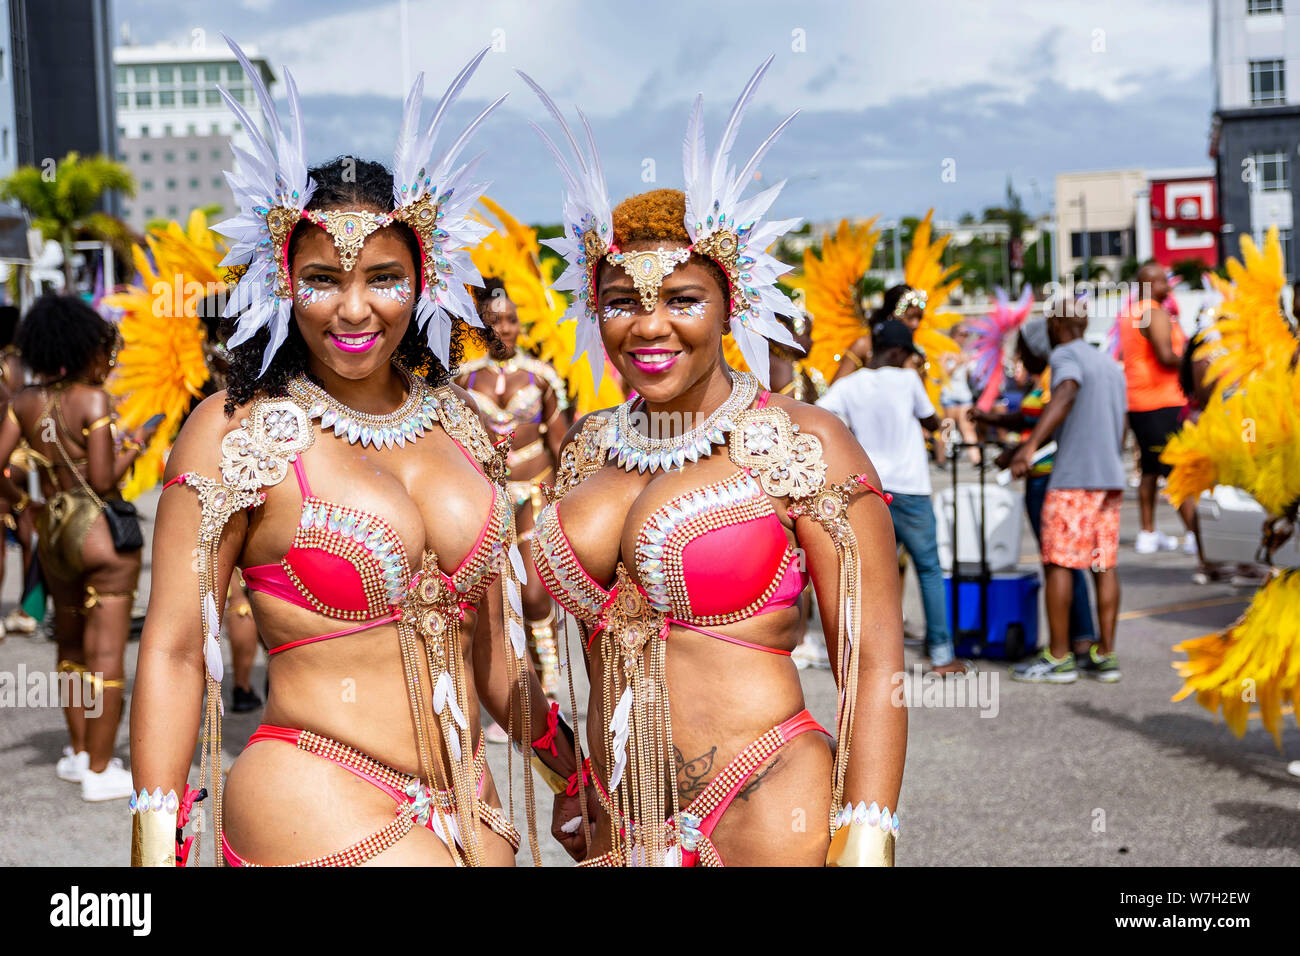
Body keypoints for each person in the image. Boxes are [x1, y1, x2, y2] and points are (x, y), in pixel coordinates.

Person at [129, 41, 577, 867]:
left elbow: (491, 653)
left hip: (467, 804)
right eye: (323, 278)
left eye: (383, 277)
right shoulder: (240, 431)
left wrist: (571, 773)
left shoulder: (462, 425)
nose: (354, 308)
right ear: (281, 281)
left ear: (427, 278)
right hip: (313, 785)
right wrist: (156, 841)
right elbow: (175, 645)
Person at [524, 63, 905, 866]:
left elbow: (872, 665)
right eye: (623, 301)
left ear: (732, 303)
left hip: (766, 795)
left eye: (682, 299)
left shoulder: (806, 444)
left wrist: (867, 836)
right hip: (622, 819)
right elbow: (587, 652)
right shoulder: (589, 446)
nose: (649, 326)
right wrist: (576, 774)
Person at [0, 295, 157, 799]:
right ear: (85, 346)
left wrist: (24, 501)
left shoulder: (22, 401)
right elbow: (107, 478)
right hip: (101, 538)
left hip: (54, 534)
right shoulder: (93, 400)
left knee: (69, 650)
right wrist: (137, 445)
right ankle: (99, 767)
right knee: (107, 652)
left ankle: (75, 752)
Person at [820, 318, 967, 675]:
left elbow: (821, 411)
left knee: (866, 574)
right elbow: (931, 421)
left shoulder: (851, 385)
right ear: (900, 352)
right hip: (912, 488)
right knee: (928, 568)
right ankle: (942, 655)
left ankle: (862, 656)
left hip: (868, 489)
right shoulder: (906, 380)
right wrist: (942, 430)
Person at [457, 278, 570, 700]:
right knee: (492, 604)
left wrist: (567, 497)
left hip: (535, 492)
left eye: (511, 320)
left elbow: (558, 442)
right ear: (482, 327)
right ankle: (511, 694)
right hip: (489, 499)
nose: (505, 329)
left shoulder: (541, 378)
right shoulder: (464, 381)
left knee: (536, 596)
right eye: (495, 321)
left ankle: (551, 690)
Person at [1010, 296, 1127, 683]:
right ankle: (1105, 654)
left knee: (1059, 563)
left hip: (1074, 478)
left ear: (1058, 327)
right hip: (1110, 477)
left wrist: (1028, 447)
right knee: (1102, 564)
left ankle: (1059, 656)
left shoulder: (1064, 356)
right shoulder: (1110, 364)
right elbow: (1121, 424)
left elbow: (1065, 392)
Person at [970, 316, 1097, 659]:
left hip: (1053, 478)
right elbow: (1030, 419)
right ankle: (1073, 638)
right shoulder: (1044, 378)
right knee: (1059, 559)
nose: (1020, 355)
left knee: (1064, 560)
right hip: (1039, 479)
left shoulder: (1058, 374)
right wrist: (991, 420)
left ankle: (1081, 638)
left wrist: (1018, 451)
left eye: (1023, 348)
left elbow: (1048, 424)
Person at [1120, 263, 1195, 554]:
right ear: (1149, 284)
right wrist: (1195, 364)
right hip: (1162, 402)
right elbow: (1166, 356)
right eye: (1163, 281)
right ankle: (1194, 534)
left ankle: (1147, 532)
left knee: (1150, 470)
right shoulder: (1154, 313)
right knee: (1176, 470)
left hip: (1139, 402)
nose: (1169, 286)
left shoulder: (1132, 314)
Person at [0, 304, 38, 638]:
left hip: (6, 457)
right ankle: (29, 608)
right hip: (29, 457)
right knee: (29, 532)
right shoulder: (27, 363)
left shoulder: (4, 364)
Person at [831, 283, 924, 383]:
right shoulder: (864, 345)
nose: (916, 324)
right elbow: (836, 389)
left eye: (919, 318)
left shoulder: (917, 354)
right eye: (910, 317)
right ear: (892, 317)